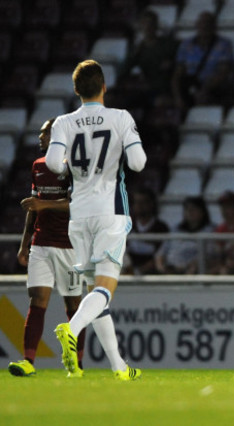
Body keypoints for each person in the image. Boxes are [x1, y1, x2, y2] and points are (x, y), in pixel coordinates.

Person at [45, 59, 147, 380]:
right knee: (104, 288)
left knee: (94, 289)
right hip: (110, 212)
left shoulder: (62, 122)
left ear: (76, 90)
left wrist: (70, 162)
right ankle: (71, 329)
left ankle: (119, 367)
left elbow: (53, 165)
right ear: (104, 87)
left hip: (79, 215)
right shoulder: (120, 118)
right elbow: (139, 163)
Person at [8, 118, 88, 377]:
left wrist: (44, 205)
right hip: (41, 244)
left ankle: (77, 363)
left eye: (45, 133)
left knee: (74, 304)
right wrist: (24, 244)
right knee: (37, 300)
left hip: (70, 246)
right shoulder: (38, 166)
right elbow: (34, 207)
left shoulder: (76, 167)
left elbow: (77, 204)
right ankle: (28, 361)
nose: (40, 138)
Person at [171, 11, 234, 109]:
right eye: (202, 23)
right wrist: (177, 97)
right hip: (190, 86)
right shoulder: (186, 45)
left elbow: (223, 72)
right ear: (197, 25)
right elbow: (178, 73)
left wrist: (205, 89)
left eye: (208, 23)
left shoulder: (224, 45)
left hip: (213, 89)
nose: (205, 27)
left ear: (214, 26)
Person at [117, 9, 177, 106]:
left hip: (164, 89)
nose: (148, 27)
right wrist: (134, 53)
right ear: (141, 26)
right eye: (145, 23)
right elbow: (124, 70)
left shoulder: (167, 44)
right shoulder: (139, 49)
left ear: (156, 25)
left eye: (151, 24)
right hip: (146, 89)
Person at [154, 196, 213, 274]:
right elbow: (161, 253)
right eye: (187, 209)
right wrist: (161, 268)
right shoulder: (175, 230)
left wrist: (188, 267)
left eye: (193, 209)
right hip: (169, 269)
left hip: (191, 270)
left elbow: (208, 254)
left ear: (202, 212)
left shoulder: (209, 231)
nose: (190, 212)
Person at [125, 187, 170, 275]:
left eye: (143, 202)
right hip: (130, 270)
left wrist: (140, 270)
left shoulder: (161, 228)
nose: (139, 206)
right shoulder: (128, 225)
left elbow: (161, 254)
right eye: (136, 202)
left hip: (152, 272)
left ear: (151, 204)